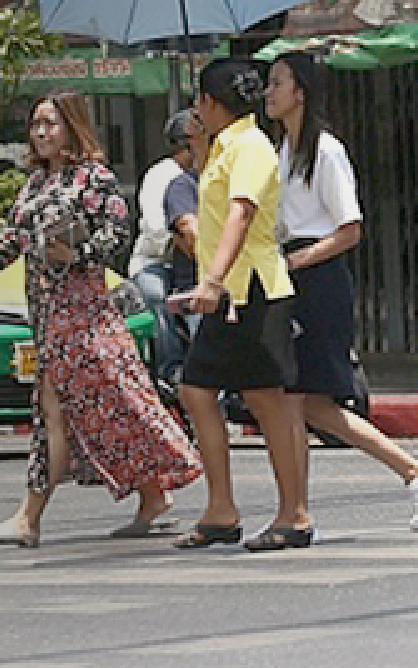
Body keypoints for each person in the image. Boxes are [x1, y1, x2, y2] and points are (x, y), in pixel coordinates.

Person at [0, 93, 201, 547]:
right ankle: (152, 496)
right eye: (36, 125)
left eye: (50, 124)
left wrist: (75, 254)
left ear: (72, 128)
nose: (41, 133)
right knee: (108, 405)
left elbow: (117, 235)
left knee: (57, 411)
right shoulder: (36, 183)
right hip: (48, 315)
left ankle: (29, 517)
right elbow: (13, 238)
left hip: (82, 316)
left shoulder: (94, 179)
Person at [266, 53, 418, 530]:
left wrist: (298, 261)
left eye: (277, 83)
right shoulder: (283, 150)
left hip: (317, 279)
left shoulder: (325, 151)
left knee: (299, 399)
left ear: (300, 91)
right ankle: (413, 471)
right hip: (292, 273)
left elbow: (350, 229)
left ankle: (296, 514)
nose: (269, 93)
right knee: (308, 403)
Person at [169, 59, 312, 551]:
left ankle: (294, 515)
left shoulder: (250, 146)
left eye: (198, 100)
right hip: (227, 295)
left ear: (210, 102)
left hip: (252, 291)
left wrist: (210, 280)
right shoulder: (224, 146)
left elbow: (241, 214)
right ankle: (221, 509)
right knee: (196, 389)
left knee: (267, 400)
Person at [129, 110, 200, 386]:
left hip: (191, 264)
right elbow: (157, 229)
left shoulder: (206, 173)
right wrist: (187, 243)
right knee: (157, 296)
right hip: (155, 261)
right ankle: (170, 368)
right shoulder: (161, 176)